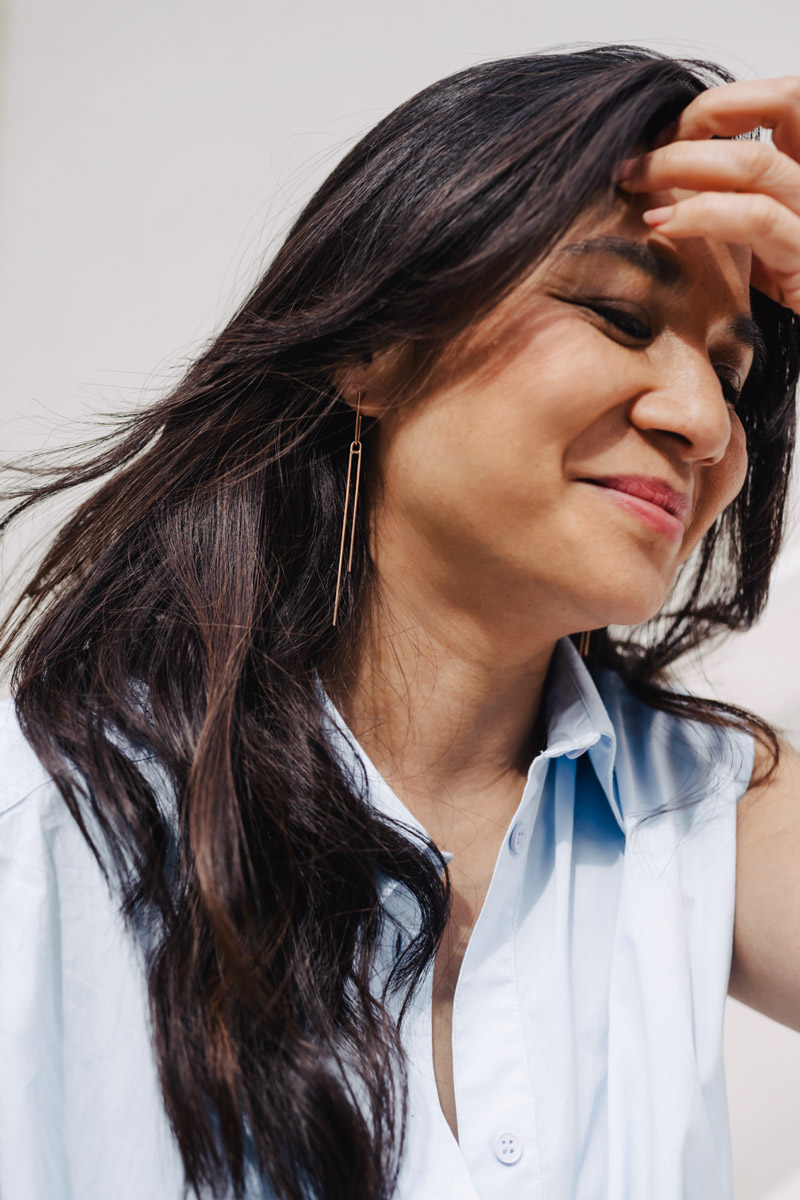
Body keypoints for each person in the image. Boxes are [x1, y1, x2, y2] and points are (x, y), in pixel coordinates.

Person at [1, 41, 800, 1200]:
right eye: (618, 314)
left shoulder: (707, 813)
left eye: (732, 376)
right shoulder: (47, 834)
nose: (702, 422)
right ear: (373, 345)